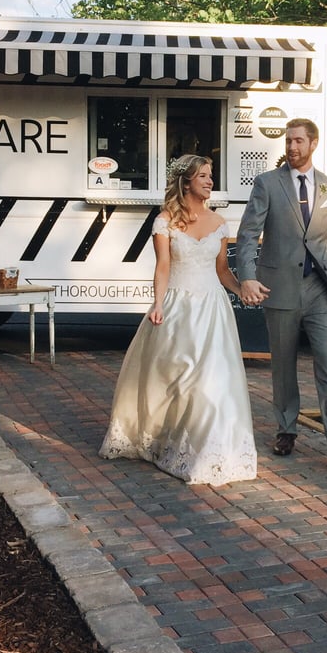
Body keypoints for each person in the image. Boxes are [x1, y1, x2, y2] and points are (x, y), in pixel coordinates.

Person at [99, 154, 257, 486]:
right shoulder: (165, 221)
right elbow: (163, 268)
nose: (210, 181)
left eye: (211, 175)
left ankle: (210, 450)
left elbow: (222, 271)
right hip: (179, 308)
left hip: (213, 310)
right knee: (179, 382)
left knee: (213, 383)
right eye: (203, 176)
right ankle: (172, 440)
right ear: (186, 182)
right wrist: (157, 304)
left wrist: (241, 288)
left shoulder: (219, 222)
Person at [236, 118, 327, 466]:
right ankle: (287, 429)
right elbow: (247, 235)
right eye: (288, 141)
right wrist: (246, 277)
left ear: (313, 143)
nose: (291, 147)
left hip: (319, 289)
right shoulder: (267, 184)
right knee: (284, 366)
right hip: (279, 287)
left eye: (299, 141)